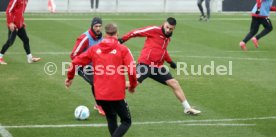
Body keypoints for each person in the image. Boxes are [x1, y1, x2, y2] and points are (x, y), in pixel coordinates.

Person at [65, 23, 137, 137]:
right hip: (116, 94)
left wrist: (69, 78)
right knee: (126, 121)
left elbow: (74, 62)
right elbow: (132, 71)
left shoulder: (94, 49)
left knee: (111, 117)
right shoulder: (123, 49)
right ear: (117, 33)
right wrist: (132, 86)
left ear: (104, 34)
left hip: (100, 95)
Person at [118, 17, 201, 115]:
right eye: (167, 27)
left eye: (171, 29)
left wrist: (170, 62)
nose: (168, 30)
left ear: (174, 29)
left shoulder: (167, 38)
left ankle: (187, 108)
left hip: (157, 67)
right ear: (164, 24)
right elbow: (136, 32)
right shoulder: (154, 30)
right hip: (146, 64)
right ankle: (109, 93)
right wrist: (123, 39)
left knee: (174, 83)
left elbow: (163, 51)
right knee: (132, 84)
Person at [70, 17, 105, 116]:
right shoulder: (85, 38)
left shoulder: (101, 37)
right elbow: (73, 55)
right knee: (96, 82)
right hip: (82, 66)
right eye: (96, 26)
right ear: (92, 26)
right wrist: (84, 64)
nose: (98, 28)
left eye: (99, 26)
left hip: (95, 66)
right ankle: (99, 105)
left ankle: (105, 103)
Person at [0, 0, 41, 65]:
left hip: (19, 25)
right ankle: (0, 57)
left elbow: (20, 12)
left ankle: (29, 58)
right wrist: (10, 23)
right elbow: (8, 10)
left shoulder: (26, 0)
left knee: (26, 40)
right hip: (14, 25)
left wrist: (22, 22)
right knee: (10, 42)